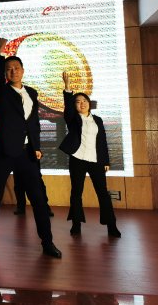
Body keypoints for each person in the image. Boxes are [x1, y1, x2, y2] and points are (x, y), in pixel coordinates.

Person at [0, 38, 61, 259]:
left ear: (23, 70)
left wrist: (37, 146)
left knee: (38, 199)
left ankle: (48, 243)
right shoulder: (1, 91)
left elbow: (33, 123)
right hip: (4, 152)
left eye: (16, 68)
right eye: (9, 69)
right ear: (5, 73)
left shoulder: (32, 93)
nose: (13, 71)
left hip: (27, 153)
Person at [60, 71, 121, 238]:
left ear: (89, 103)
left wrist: (106, 161)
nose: (82, 104)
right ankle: (76, 224)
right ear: (74, 105)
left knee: (103, 193)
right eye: (78, 102)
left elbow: (102, 141)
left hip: (96, 161)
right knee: (76, 192)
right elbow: (68, 108)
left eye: (84, 101)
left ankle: (112, 225)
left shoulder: (98, 120)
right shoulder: (73, 119)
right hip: (78, 159)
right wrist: (67, 87)